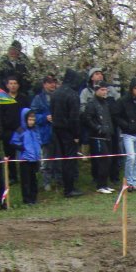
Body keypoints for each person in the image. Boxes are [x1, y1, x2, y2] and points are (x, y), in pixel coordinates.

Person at [50, 68, 85, 197]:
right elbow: (74, 118)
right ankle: (69, 189)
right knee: (70, 160)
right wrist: (76, 135)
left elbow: (52, 112)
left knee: (61, 159)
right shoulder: (73, 95)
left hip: (56, 130)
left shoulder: (55, 93)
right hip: (69, 132)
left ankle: (63, 184)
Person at [83, 82, 115, 192]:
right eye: (102, 90)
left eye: (105, 90)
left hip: (107, 135)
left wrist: (109, 130)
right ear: (96, 90)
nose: (104, 92)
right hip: (97, 137)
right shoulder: (91, 104)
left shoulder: (105, 103)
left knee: (108, 160)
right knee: (102, 161)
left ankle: (105, 184)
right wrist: (98, 128)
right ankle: (100, 185)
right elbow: (87, 119)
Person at [0, 75, 30, 183]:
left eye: (15, 83)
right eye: (11, 83)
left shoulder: (23, 98)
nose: (13, 86)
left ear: (18, 85)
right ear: (7, 85)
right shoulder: (3, 99)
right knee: (9, 154)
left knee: (23, 152)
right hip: (8, 131)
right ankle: (12, 176)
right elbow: (0, 116)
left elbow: (28, 113)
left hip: (21, 130)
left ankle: (25, 174)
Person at [30, 74, 58, 191]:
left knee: (58, 158)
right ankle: (46, 181)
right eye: (50, 82)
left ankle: (58, 180)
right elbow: (33, 115)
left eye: (54, 82)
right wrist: (45, 118)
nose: (52, 85)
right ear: (44, 84)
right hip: (45, 132)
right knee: (47, 158)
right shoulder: (38, 98)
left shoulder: (58, 95)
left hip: (58, 131)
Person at [10, 108, 43, 204]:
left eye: (33, 119)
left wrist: (38, 151)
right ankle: (27, 199)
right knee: (26, 180)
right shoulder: (20, 130)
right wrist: (22, 148)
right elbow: (13, 142)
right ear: (25, 119)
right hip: (25, 159)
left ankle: (34, 197)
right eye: (29, 119)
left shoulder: (36, 129)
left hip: (35, 158)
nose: (31, 122)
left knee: (34, 179)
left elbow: (39, 141)